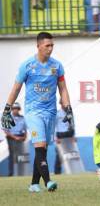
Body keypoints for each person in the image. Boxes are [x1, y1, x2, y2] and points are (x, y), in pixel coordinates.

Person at [1, 32, 74, 192]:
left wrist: (68, 109)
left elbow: (63, 89)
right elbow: (16, 88)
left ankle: (34, 184)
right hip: (34, 112)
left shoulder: (57, 66)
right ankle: (48, 181)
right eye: (47, 45)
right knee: (40, 146)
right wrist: (7, 109)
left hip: (51, 113)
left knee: (42, 149)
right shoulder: (27, 66)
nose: (50, 48)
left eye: (52, 45)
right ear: (38, 46)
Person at [2, 102, 27, 176]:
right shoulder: (8, 117)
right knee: (12, 156)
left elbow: (25, 129)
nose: (15, 110)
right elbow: (6, 130)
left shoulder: (22, 118)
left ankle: (21, 173)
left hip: (21, 138)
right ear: (12, 110)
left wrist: (24, 137)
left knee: (21, 156)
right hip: (11, 138)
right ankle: (11, 173)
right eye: (14, 109)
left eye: (17, 108)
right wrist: (15, 137)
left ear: (19, 109)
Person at [54, 100, 76, 175]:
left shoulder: (70, 113)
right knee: (59, 155)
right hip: (60, 135)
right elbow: (54, 126)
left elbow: (73, 124)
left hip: (69, 134)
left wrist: (74, 136)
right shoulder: (57, 113)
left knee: (71, 153)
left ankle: (72, 170)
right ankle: (57, 172)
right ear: (61, 103)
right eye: (64, 103)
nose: (65, 104)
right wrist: (55, 138)